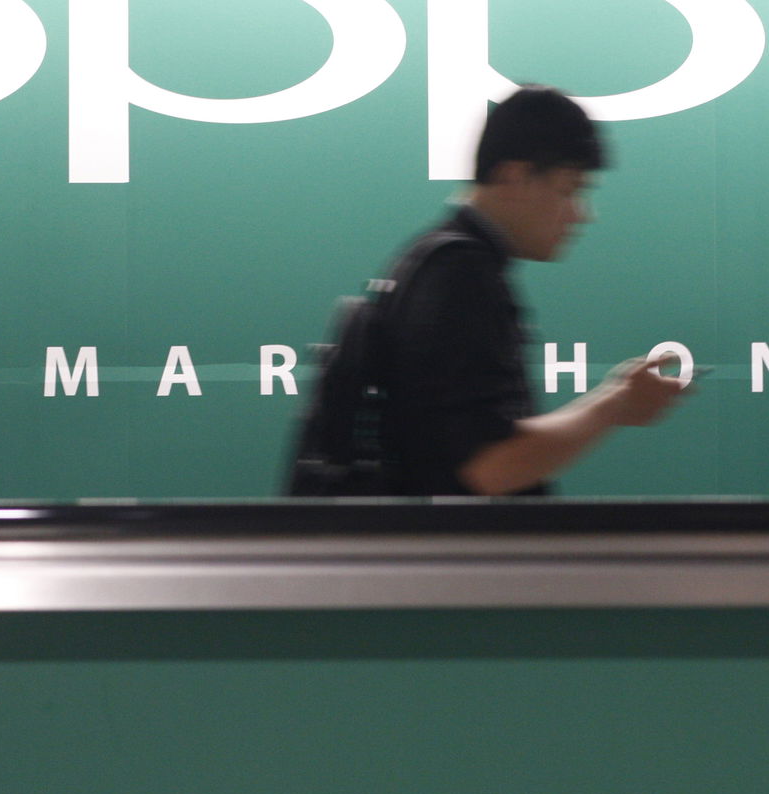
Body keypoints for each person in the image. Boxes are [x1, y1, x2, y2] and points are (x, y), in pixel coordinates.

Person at [290, 84, 692, 497]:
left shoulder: (436, 260)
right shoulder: (460, 275)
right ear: (514, 176)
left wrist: (614, 398)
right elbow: (489, 467)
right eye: (570, 190)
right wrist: (615, 406)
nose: (581, 214)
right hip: (451, 557)